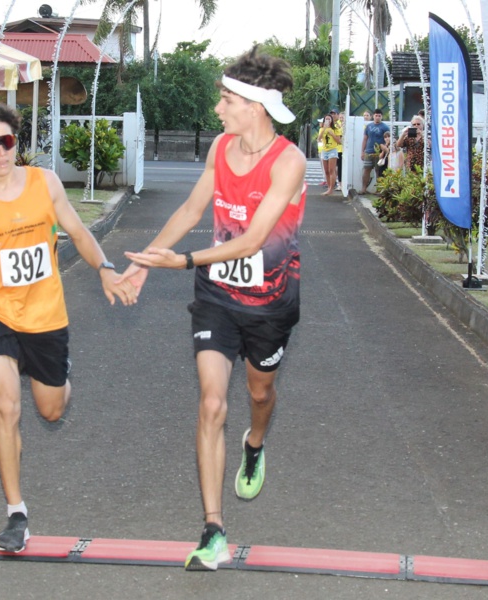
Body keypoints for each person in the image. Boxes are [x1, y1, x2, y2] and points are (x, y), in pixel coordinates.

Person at [0, 102, 137, 554]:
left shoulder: (44, 183)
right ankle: (17, 513)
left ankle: (56, 374)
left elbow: (78, 231)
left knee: (51, 409)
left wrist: (106, 268)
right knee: (5, 405)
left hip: (46, 316)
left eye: (8, 142)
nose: (1, 153)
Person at [121, 46, 307, 571]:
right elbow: (190, 208)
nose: (218, 108)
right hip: (218, 297)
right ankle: (213, 530)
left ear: (255, 105)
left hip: (270, 303)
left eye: (226, 99)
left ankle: (255, 443)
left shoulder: (288, 162)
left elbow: (251, 240)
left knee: (259, 392)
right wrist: (143, 263)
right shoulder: (220, 148)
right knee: (210, 403)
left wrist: (181, 261)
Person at [360, 108, 389, 194]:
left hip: (379, 152)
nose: (377, 117)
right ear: (373, 116)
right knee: (366, 169)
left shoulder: (385, 127)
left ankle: (379, 189)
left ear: (381, 117)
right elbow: (365, 139)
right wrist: (362, 151)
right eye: (376, 115)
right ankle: (363, 188)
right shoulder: (369, 126)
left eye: (379, 116)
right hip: (368, 151)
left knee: (378, 171)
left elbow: (388, 139)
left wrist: (384, 150)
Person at [317, 113, 340, 196]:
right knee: (326, 171)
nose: (327, 121)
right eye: (326, 119)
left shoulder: (335, 129)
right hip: (324, 150)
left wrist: (332, 133)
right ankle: (329, 187)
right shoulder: (321, 129)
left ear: (331, 121)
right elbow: (319, 139)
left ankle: (331, 188)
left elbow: (339, 141)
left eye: (329, 119)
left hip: (332, 150)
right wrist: (324, 128)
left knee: (331, 170)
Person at [332, 110, 344, 191]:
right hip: (337, 149)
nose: (341, 119)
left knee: (341, 168)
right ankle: (337, 183)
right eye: (340, 117)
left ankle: (341, 184)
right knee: (336, 168)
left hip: (344, 150)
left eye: (343, 117)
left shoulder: (348, 125)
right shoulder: (336, 125)